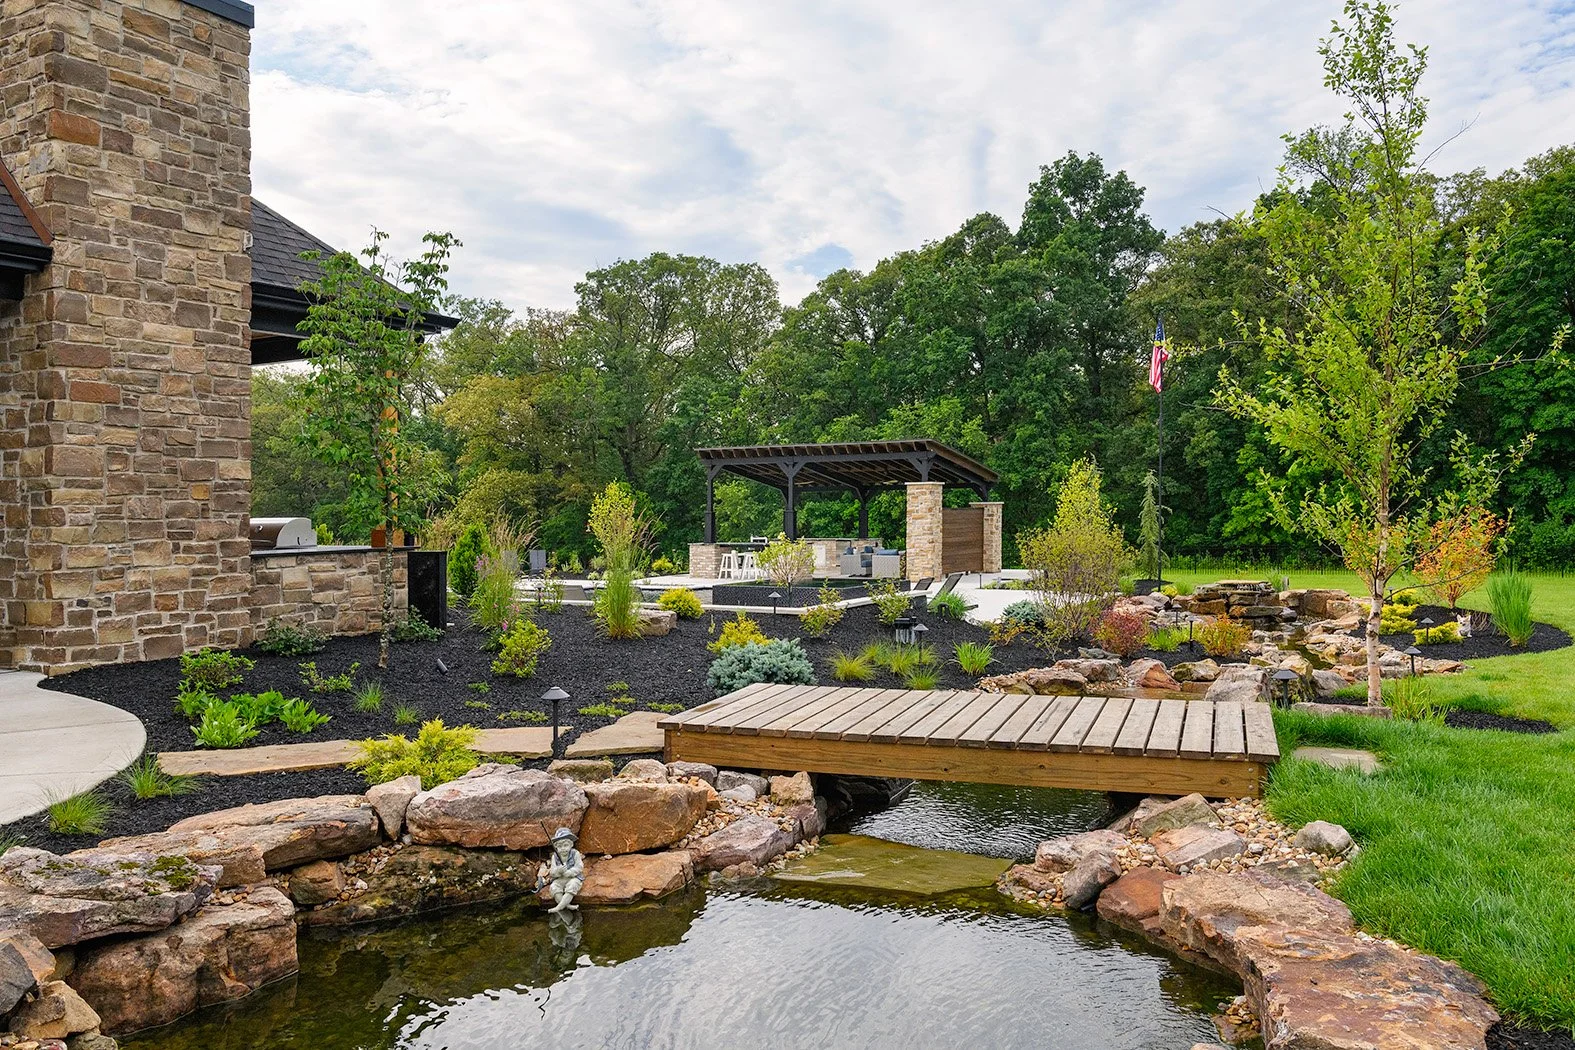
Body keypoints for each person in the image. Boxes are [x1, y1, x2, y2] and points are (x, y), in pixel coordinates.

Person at [537, 827, 585, 913]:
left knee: (573, 885)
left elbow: (579, 867)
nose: (563, 848)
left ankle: (558, 908)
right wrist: (558, 871)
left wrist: (570, 872)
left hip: (573, 878)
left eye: (565, 845)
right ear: (556, 847)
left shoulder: (575, 853)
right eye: (560, 846)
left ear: (571, 845)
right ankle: (567, 906)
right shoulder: (554, 857)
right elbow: (552, 872)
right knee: (554, 887)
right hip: (560, 879)